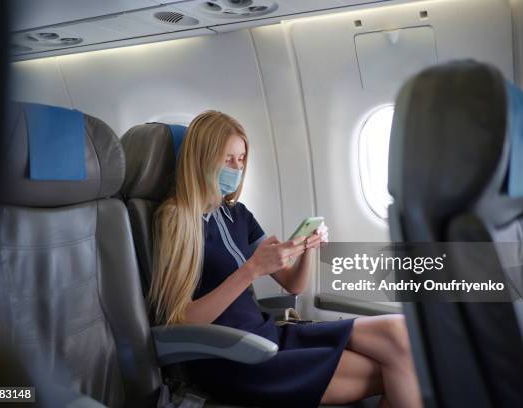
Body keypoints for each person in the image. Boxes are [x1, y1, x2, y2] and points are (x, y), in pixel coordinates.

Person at [148, 110, 422, 408]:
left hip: (270, 334)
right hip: (234, 355)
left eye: (241, 160)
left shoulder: (238, 214)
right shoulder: (176, 219)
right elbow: (182, 320)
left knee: (401, 332)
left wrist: (305, 249)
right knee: (401, 367)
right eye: (227, 159)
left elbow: (293, 285)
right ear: (201, 158)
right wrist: (251, 271)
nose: (236, 168)